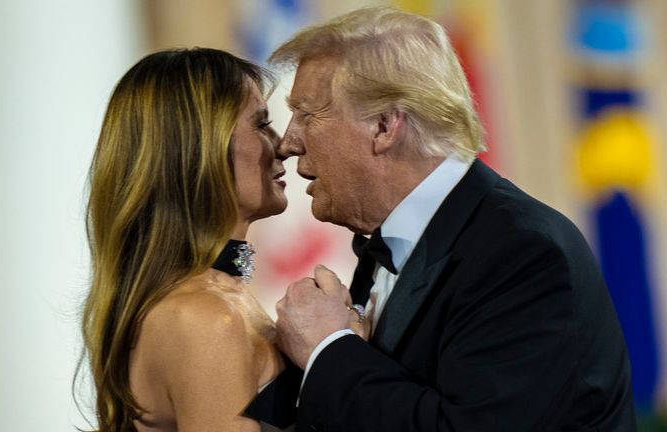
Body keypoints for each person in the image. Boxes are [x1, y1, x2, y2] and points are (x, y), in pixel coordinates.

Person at [253, 7, 636, 431]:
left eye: (307, 115)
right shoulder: (398, 241)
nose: (287, 143)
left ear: (384, 125)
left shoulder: (521, 252)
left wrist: (327, 347)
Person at [78, 48, 294, 432]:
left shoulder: (212, 298)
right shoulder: (205, 317)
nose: (283, 146)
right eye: (262, 125)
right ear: (200, 147)